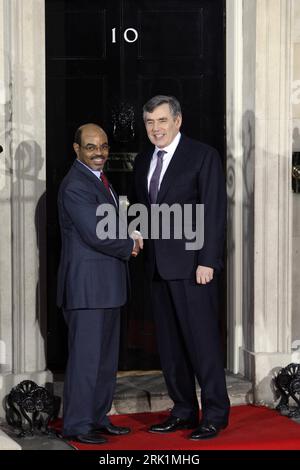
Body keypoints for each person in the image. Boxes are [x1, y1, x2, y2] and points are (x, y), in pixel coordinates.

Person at [133, 95, 230, 440]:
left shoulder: (203, 156)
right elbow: (144, 208)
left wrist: (208, 260)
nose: (155, 129)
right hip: (158, 268)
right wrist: (135, 228)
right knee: (171, 347)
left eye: (161, 121)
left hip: (193, 268)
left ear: (177, 121)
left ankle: (215, 414)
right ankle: (184, 411)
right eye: (149, 122)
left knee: (202, 343)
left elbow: (214, 212)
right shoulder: (144, 159)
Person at [57, 123, 142, 444]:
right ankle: (77, 425)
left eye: (104, 146)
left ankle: (96, 416)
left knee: (105, 361)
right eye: (91, 147)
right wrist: (129, 245)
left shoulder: (99, 180)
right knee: (86, 360)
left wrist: (129, 234)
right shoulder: (75, 185)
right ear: (76, 149)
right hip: (87, 289)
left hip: (107, 287)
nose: (99, 153)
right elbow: (96, 232)